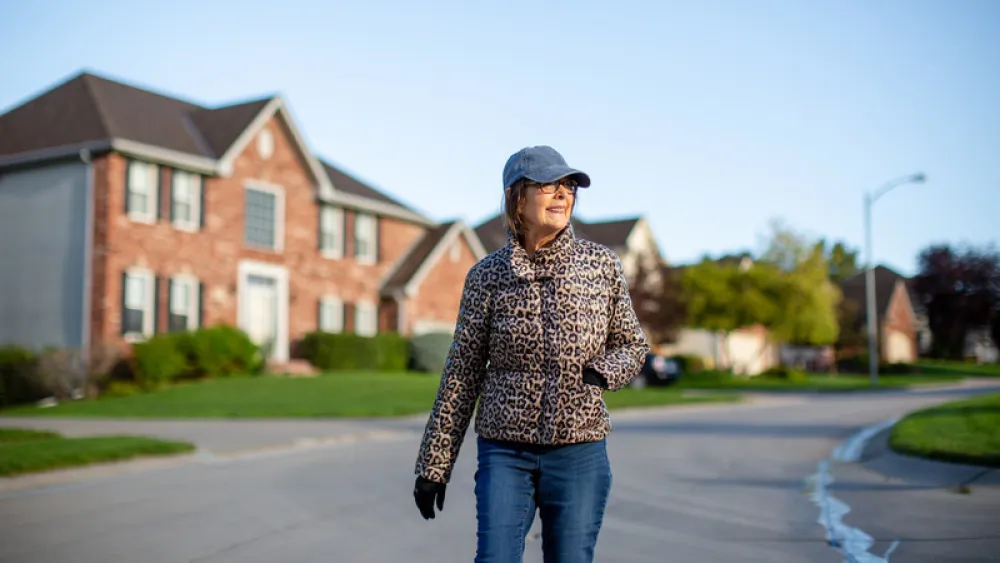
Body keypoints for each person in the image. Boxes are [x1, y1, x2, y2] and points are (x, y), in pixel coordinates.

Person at [412, 145, 649, 563]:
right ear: (516, 197)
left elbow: (632, 343)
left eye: (568, 185)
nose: (562, 194)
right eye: (548, 185)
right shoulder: (486, 275)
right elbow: (462, 373)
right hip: (505, 450)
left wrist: (603, 372)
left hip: (579, 448)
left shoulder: (601, 265)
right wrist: (434, 466)